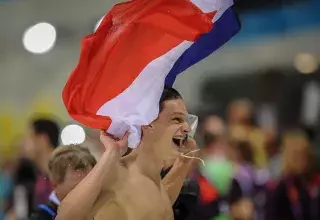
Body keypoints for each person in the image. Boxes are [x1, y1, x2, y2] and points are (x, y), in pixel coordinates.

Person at [56, 87, 197, 220]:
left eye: (185, 120)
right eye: (176, 119)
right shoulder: (117, 174)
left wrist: (183, 164)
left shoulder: (153, 179)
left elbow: (153, 209)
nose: (186, 128)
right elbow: (65, 217)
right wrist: (111, 153)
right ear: (147, 123)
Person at [29, 145, 96, 220]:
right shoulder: (41, 217)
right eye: (76, 189)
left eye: (91, 187)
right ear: (54, 184)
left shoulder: (99, 212)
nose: (86, 194)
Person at [266, 129, 320, 220]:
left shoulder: (308, 184)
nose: (304, 160)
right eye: (299, 155)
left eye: (305, 155)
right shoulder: (280, 187)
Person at [22, 118, 60, 208]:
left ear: (43, 139)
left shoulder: (61, 173)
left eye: (30, 137)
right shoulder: (39, 173)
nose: (24, 143)